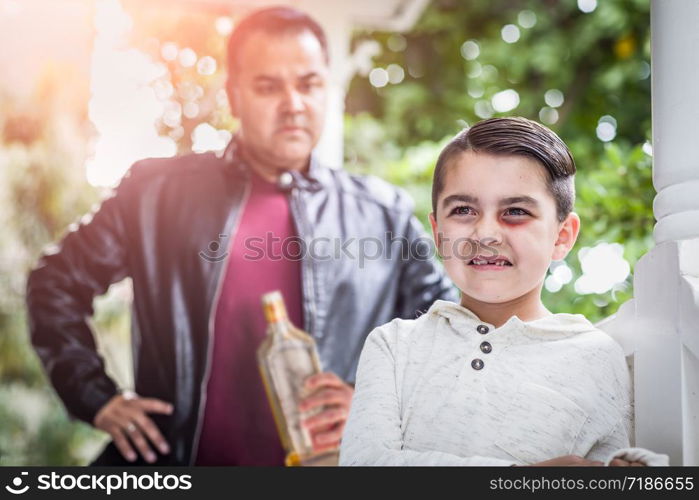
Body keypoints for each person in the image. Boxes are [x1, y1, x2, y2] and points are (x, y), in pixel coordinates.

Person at [26, 6, 456, 466]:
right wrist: (96, 396)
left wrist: (376, 405)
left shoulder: (381, 213)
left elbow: (451, 330)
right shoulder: (155, 194)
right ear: (233, 96)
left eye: (308, 84)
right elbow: (54, 284)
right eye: (269, 86)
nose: (293, 103)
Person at [339, 117, 666, 466]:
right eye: (464, 210)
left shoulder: (596, 358)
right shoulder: (393, 346)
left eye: (515, 212)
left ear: (562, 236)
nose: (486, 234)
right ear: (437, 232)